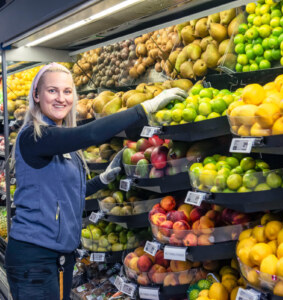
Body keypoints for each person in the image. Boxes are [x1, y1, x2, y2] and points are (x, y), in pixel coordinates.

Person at [4, 62, 187, 300]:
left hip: (60, 258)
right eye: (52, 91)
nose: (61, 98)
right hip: (34, 259)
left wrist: (103, 179)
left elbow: (69, 193)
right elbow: (89, 134)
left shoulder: (61, 142)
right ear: (36, 96)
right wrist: (145, 108)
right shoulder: (34, 136)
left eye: (67, 91)